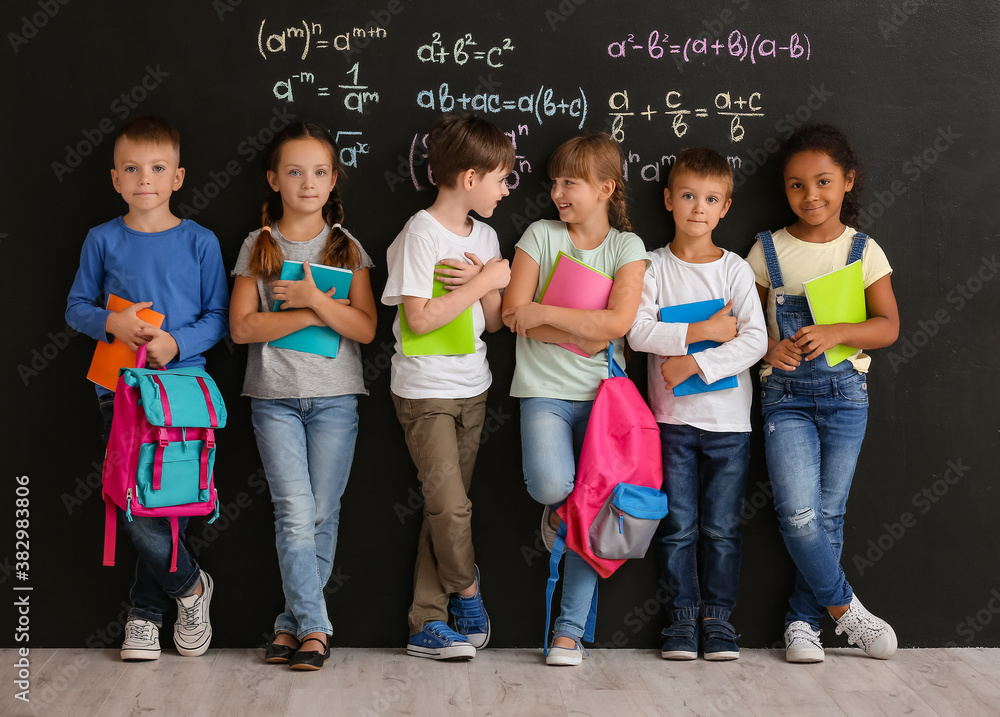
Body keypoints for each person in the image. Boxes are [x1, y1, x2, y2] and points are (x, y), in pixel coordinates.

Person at [65, 116, 229, 661]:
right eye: (132, 169)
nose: (145, 179)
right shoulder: (101, 239)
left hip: (183, 388)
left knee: (169, 501)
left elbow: (218, 318)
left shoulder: (201, 242)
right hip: (120, 389)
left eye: (157, 168)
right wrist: (111, 325)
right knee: (130, 496)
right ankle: (190, 587)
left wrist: (175, 345)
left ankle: (144, 613)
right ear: (115, 179)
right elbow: (76, 308)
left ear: (178, 177)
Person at [745, 124, 900, 662]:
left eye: (823, 182)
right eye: (796, 185)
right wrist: (767, 349)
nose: (811, 195)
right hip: (784, 400)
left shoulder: (864, 250)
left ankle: (801, 624)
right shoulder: (767, 251)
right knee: (798, 514)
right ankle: (844, 610)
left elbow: (887, 326)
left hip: (845, 398)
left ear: (847, 181)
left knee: (830, 517)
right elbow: (740, 323)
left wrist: (837, 332)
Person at [230, 121, 377, 671]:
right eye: (294, 172)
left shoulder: (347, 247)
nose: (307, 183)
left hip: (336, 398)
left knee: (322, 513)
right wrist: (306, 313)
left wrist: (313, 299)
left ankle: (291, 626)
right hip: (274, 398)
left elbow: (364, 329)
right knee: (294, 512)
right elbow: (242, 329)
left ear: (333, 178)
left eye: (318, 172)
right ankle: (316, 627)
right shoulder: (259, 245)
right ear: (274, 180)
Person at [502, 133, 647, 666]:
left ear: (606, 187)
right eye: (555, 181)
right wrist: (583, 331)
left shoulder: (626, 247)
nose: (558, 192)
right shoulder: (540, 234)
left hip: (604, 401)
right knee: (553, 485)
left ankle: (568, 632)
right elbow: (515, 316)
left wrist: (549, 314)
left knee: (591, 511)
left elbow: (619, 324)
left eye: (572, 182)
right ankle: (559, 511)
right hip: (543, 391)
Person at [382, 114, 513, 661]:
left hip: (473, 387)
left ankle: (425, 624)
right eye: (501, 178)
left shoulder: (484, 234)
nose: (506, 190)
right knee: (450, 508)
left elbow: (497, 321)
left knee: (445, 509)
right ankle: (468, 589)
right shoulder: (420, 233)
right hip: (425, 390)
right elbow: (420, 317)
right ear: (469, 178)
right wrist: (486, 279)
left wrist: (489, 286)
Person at [627, 148, 767, 660]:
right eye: (687, 196)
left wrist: (695, 364)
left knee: (723, 528)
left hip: (729, 424)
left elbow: (754, 341)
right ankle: (682, 620)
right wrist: (702, 333)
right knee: (678, 526)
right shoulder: (654, 267)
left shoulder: (734, 271)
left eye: (710, 199)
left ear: (726, 206)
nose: (698, 208)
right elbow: (638, 331)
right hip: (671, 422)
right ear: (668, 199)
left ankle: (719, 621)